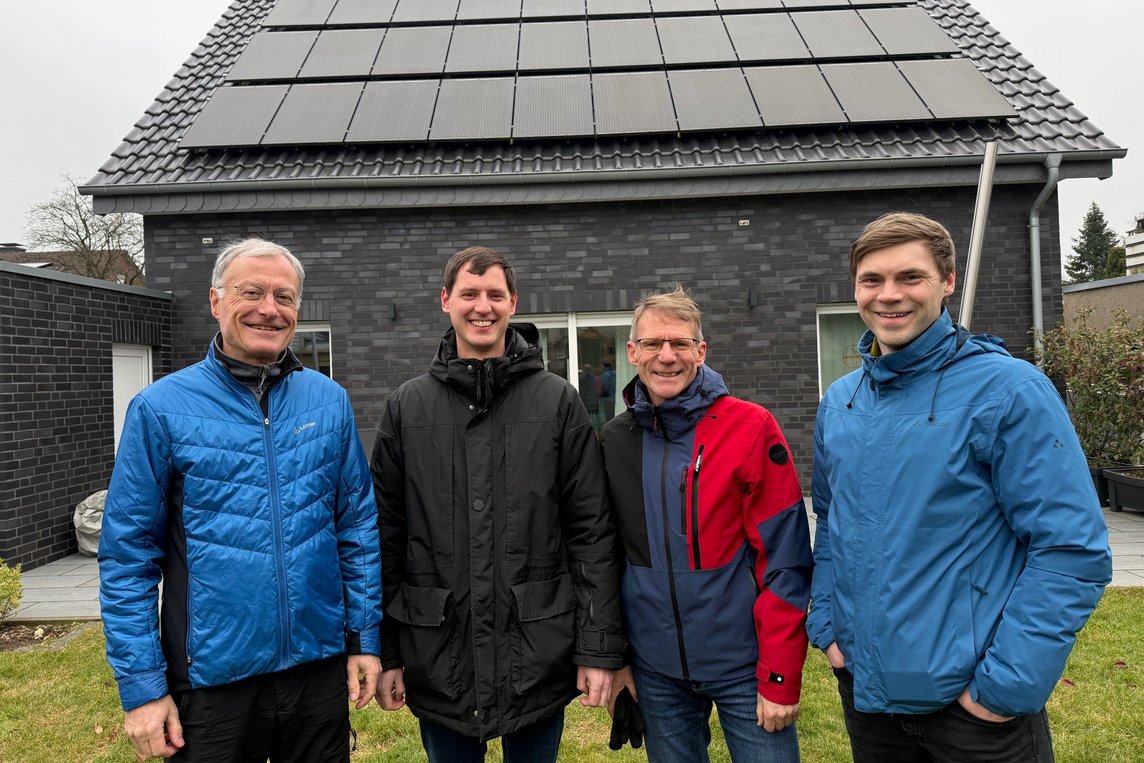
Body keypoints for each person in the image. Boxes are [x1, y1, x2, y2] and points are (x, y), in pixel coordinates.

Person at [807, 212, 1112, 762]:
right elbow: (830, 521)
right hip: (867, 698)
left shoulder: (1010, 390)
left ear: (947, 282)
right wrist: (828, 626)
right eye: (872, 280)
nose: (889, 295)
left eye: (910, 277)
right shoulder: (842, 401)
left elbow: (1071, 551)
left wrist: (1002, 691)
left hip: (973, 715)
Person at [99, 239, 382, 762]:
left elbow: (357, 530)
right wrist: (143, 686)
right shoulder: (160, 410)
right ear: (215, 301)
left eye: (284, 297)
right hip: (212, 683)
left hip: (317, 673)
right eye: (251, 292)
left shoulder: (329, 401)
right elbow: (128, 558)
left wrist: (364, 639)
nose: (269, 309)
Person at [371, 246, 625, 762]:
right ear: (446, 301)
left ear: (513, 302)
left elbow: (591, 533)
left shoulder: (557, 402)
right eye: (468, 293)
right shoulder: (407, 407)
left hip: (537, 649)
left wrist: (597, 648)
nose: (481, 306)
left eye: (493, 294)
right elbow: (383, 536)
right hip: (438, 655)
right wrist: (386, 651)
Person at [600, 285, 812, 763]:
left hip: (745, 666)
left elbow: (787, 559)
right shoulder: (613, 441)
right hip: (655, 672)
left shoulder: (751, 427)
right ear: (633, 352)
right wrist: (616, 662)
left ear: (702, 352)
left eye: (680, 344)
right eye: (653, 344)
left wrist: (780, 674)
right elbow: (604, 561)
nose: (667, 356)